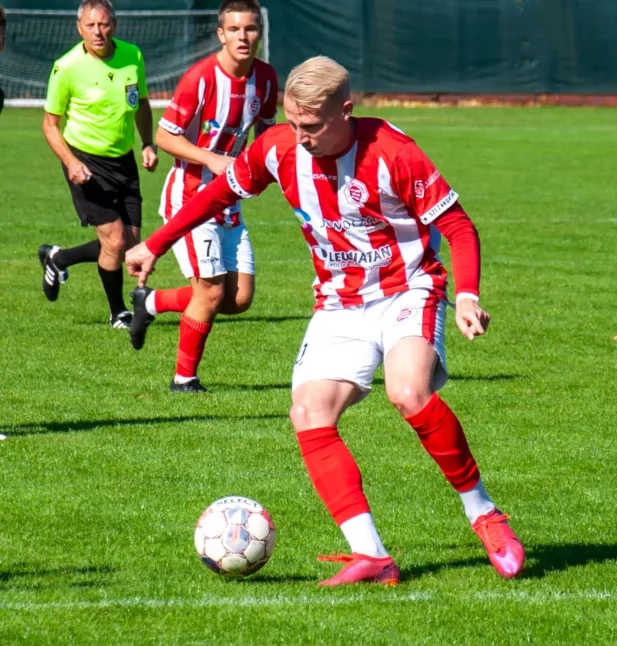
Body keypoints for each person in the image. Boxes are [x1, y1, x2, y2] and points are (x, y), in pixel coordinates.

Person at [124, 56, 524, 586]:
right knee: (308, 410)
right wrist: (155, 242)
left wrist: (469, 295)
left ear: (346, 111)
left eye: (311, 125)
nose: (300, 136)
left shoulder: (392, 152)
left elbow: (458, 225)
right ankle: (373, 556)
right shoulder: (279, 148)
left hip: (408, 288)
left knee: (408, 391)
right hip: (338, 302)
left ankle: (484, 514)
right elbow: (219, 192)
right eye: (292, 122)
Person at [126, 0, 278, 393]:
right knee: (210, 292)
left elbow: (265, 133)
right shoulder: (201, 78)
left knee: (239, 298)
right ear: (221, 34)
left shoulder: (265, 78)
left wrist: (275, 164)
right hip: (190, 199)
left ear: (259, 32)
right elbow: (163, 137)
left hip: (230, 199)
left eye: (250, 29)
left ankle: (151, 302)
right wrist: (210, 158)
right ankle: (184, 380)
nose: (243, 37)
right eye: (235, 30)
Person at [39, 0, 157, 328]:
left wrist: (147, 143)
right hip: (86, 162)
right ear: (79, 29)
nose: (97, 32)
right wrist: (71, 162)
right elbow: (49, 125)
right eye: (90, 26)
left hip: (124, 159)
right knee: (115, 241)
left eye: (103, 24)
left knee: (130, 244)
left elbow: (142, 103)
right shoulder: (67, 67)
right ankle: (118, 311)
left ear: (114, 25)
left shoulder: (132, 56)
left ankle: (57, 258)